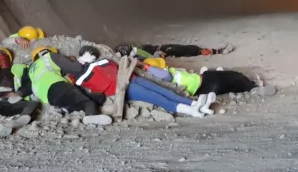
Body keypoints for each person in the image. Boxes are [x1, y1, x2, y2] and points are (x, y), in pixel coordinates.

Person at [71, 46, 205, 118]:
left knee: (164, 91)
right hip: (122, 87)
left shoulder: (100, 62)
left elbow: (116, 65)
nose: (91, 56)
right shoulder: (78, 76)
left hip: (131, 78)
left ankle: (195, 104)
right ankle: (190, 110)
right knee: (157, 98)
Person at [142, 58, 273, 110]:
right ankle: (253, 88)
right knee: (234, 76)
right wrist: (146, 66)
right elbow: (165, 75)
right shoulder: (165, 74)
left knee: (229, 85)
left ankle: (249, 88)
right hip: (205, 82)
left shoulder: (165, 73)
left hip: (203, 86)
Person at [27, 46, 112, 125]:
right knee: (88, 103)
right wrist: (73, 60)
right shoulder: (49, 57)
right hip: (58, 87)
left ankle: (67, 109)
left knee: (99, 97)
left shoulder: (32, 70)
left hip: (50, 99)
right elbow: (77, 68)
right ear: (46, 52)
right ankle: (90, 116)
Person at [115, 42, 235, 60]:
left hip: (160, 48)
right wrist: (158, 55)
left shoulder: (135, 50)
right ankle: (217, 52)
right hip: (162, 52)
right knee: (186, 49)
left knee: (187, 48)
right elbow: (150, 60)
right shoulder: (135, 57)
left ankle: (214, 51)